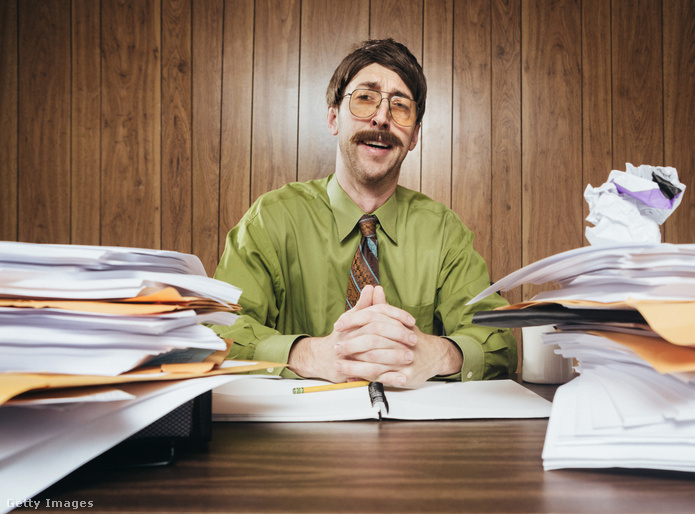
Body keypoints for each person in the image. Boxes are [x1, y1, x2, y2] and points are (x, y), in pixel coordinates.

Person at [211, 38, 516, 387]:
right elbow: (217, 331)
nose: (382, 117)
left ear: (414, 135)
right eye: (365, 98)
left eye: (400, 107)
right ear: (333, 118)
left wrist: (435, 353)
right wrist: (309, 354)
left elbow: (501, 342)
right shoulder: (271, 220)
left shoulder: (444, 232)